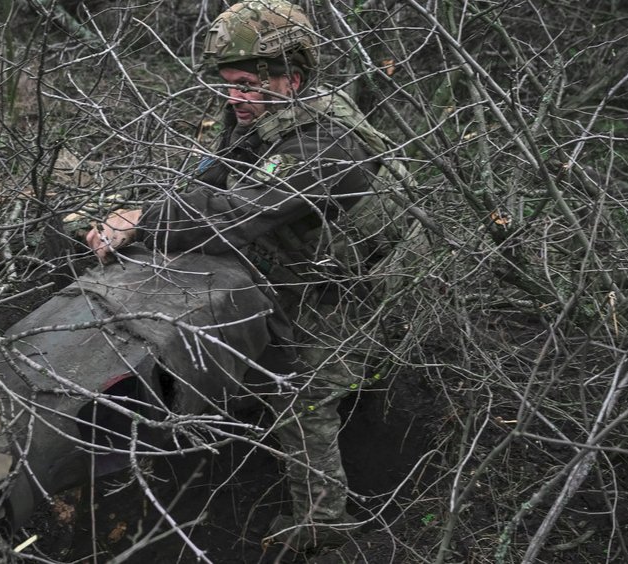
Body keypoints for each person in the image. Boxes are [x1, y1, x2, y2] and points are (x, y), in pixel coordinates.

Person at [86, 0, 400, 553]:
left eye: (246, 85)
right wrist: (141, 213)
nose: (234, 97)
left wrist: (146, 220)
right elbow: (213, 180)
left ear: (291, 79)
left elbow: (239, 214)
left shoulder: (326, 142)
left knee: (303, 393)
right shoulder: (260, 114)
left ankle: (324, 520)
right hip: (303, 259)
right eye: (228, 84)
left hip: (358, 280)